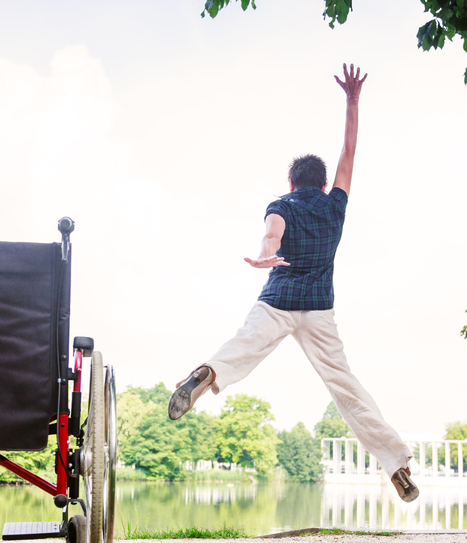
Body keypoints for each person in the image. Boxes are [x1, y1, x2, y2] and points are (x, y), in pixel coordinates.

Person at [168, 63, 419, 502]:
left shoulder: (280, 203)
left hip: (278, 300)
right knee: (346, 388)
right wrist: (352, 100)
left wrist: (266, 256)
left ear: (290, 182)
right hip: (319, 309)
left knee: (243, 347)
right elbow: (349, 153)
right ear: (323, 184)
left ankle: (207, 374)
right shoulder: (334, 204)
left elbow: (271, 235)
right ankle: (396, 464)